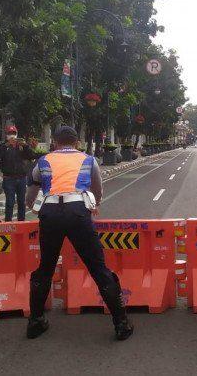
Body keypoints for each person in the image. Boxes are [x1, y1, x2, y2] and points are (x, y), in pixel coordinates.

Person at [24, 126, 133, 341]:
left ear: (55, 142)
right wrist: (95, 204)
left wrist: (34, 207)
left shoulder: (43, 160)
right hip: (78, 212)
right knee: (98, 268)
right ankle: (121, 323)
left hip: (50, 213)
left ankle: (35, 322)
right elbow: (97, 188)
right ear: (77, 143)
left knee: (45, 268)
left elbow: (31, 191)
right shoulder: (88, 159)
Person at [0, 125, 36, 222]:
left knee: (22, 202)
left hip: (22, 178)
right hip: (9, 178)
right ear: (6, 135)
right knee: (10, 202)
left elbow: (31, 156)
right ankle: (8, 222)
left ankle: (21, 222)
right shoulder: (2, 145)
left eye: (13, 133)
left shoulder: (21, 146)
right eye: (9, 134)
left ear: (17, 134)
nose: (12, 136)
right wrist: (7, 145)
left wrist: (26, 146)